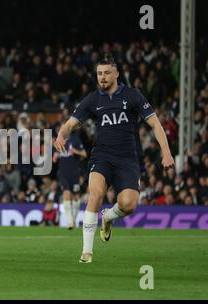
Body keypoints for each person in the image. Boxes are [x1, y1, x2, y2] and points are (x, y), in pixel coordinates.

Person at [54, 55, 174, 263]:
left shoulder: (133, 95)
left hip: (128, 158)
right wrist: (61, 135)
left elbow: (155, 124)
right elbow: (71, 123)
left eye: (107, 73)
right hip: (101, 157)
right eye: (99, 73)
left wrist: (166, 152)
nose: (102, 77)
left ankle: (109, 217)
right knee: (94, 196)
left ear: (116, 74)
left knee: (128, 205)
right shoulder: (93, 99)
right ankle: (86, 252)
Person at [54, 129, 87, 229]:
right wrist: (55, 156)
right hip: (63, 174)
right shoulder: (60, 140)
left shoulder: (75, 140)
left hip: (74, 174)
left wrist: (75, 151)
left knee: (76, 197)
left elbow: (84, 154)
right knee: (66, 195)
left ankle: (74, 220)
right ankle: (69, 221)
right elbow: (56, 153)